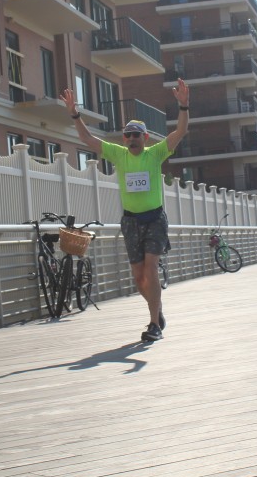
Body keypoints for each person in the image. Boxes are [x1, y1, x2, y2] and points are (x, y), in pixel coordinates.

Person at [60, 79, 189, 343]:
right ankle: (157, 309)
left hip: (154, 218)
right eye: (128, 135)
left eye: (136, 135)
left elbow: (180, 131)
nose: (131, 139)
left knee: (151, 269)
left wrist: (184, 106)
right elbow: (86, 138)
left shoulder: (155, 154)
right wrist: (74, 114)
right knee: (139, 278)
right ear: (124, 138)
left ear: (145, 138)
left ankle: (154, 325)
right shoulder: (119, 155)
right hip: (130, 222)